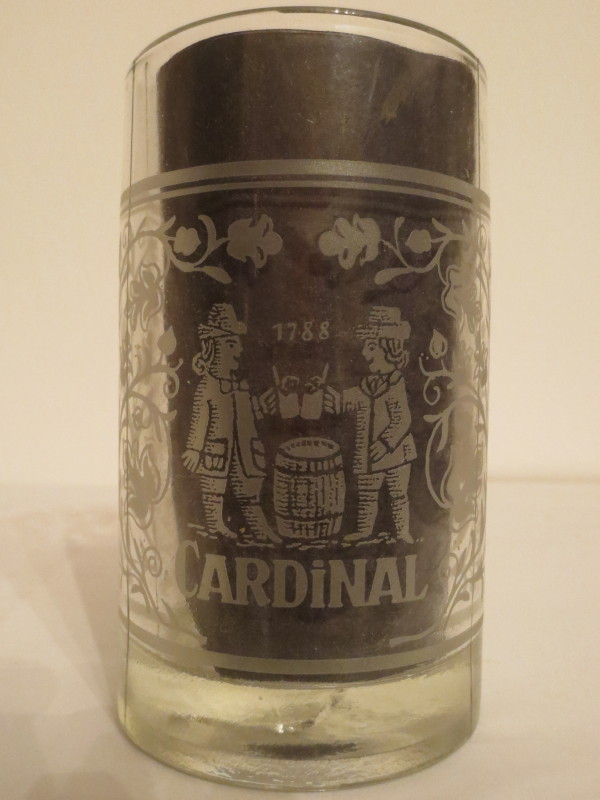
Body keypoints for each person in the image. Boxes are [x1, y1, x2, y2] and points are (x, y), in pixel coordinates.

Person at [182, 303, 279, 543]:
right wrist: (194, 448)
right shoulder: (208, 387)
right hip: (218, 449)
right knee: (214, 486)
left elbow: (250, 414)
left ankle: (259, 527)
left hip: (242, 449)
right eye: (232, 345)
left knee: (249, 486)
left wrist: (264, 407)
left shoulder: (240, 386)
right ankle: (215, 523)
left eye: (238, 344)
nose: (239, 350)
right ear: (215, 347)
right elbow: (200, 420)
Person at [325, 306, 416, 544]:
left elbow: (403, 419)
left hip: (396, 454)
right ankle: (365, 531)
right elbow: (355, 398)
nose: (365, 353)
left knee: (398, 494)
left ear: (389, 348)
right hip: (368, 453)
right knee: (367, 494)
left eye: (371, 347)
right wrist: (337, 401)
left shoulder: (395, 385)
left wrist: (385, 443)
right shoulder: (368, 385)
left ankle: (402, 533)